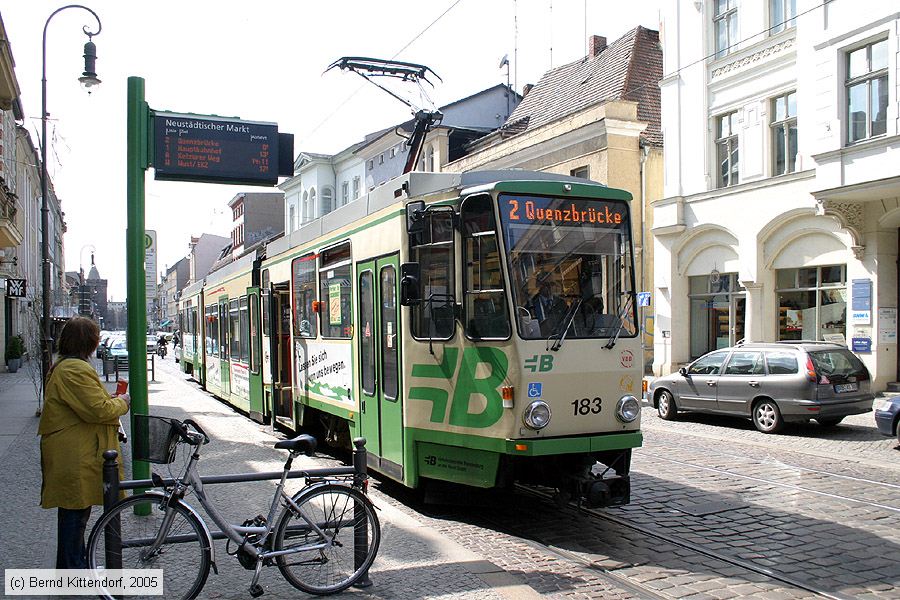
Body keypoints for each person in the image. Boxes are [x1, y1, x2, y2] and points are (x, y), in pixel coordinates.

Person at [38, 316, 130, 569]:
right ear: (88, 342)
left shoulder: (67, 366)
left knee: (75, 513)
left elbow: (88, 404)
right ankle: (73, 572)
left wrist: (109, 400)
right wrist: (122, 402)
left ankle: (74, 566)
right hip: (76, 455)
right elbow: (98, 410)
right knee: (75, 515)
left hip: (76, 450)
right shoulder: (74, 370)